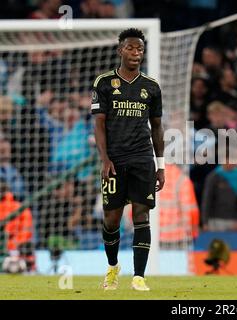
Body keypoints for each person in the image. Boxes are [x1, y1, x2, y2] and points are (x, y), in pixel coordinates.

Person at [91, 28, 165, 291]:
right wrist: (104, 158)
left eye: (140, 49)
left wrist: (161, 165)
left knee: (141, 215)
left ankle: (139, 276)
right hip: (114, 160)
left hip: (143, 159)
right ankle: (113, 268)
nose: (136, 53)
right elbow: (99, 124)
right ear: (120, 50)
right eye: (131, 48)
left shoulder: (151, 87)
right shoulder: (103, 83)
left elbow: (157, 127)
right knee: (111, 219)